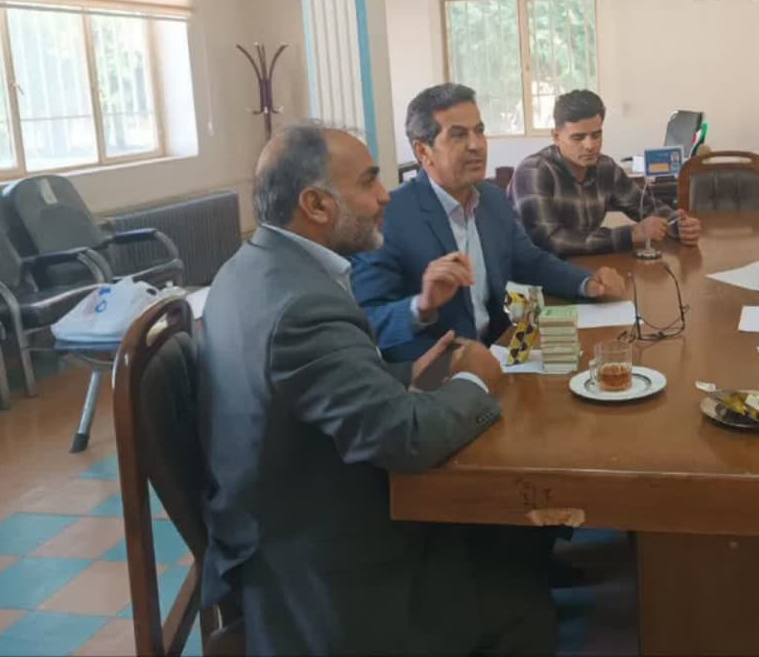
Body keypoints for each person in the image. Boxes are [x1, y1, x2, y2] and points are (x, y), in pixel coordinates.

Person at [199, 122, 555, 655]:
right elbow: (405, 438)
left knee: (508, 543)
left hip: (285, 518)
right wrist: (473, 379)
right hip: (325, 567)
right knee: (527, 605)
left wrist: (408, 375)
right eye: (368, 182)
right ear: (316, 204)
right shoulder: (301, 307)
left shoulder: (250, 268)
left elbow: (311, 388)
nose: (386, 195)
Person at [352, 83, 628, 363]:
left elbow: (529, 262)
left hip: (501, 353)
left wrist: (587, 283)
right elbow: (366, 322)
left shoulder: (491, 199)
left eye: (479, 131)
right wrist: (420, 306)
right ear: (423, 151)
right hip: (438, 371)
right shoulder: (389, 216)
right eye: (458, 135)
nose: (476, 145)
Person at [508, 88, 702, 256]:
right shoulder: (533, 172)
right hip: (534, 278)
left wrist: (678, 225)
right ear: (556, 136)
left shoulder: (605, 167)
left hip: (587, 268)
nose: (590, 145)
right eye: (578, 137)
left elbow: (647, 207)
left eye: (596, 135)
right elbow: (550, 242)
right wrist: (632, 234)